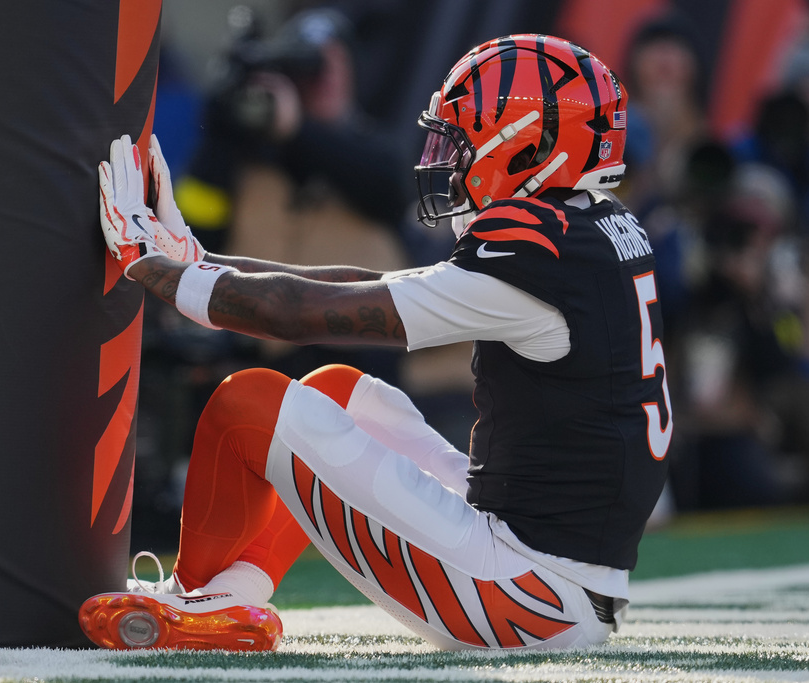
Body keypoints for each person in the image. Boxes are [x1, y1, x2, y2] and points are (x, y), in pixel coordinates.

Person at [79, 35, 672, 653]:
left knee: (247, 401)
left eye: (463, 138)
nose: (449, 157)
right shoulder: (592, 229)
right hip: (556, 573)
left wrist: (149, 268)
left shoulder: (534, 251)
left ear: (526, 143)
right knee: (337, 390)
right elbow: (371, 287)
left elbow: (301, 316)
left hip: (529, 597)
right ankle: (233, 595)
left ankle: (186, 601)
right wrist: (200, 262)